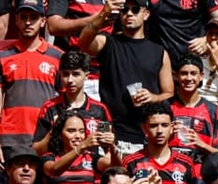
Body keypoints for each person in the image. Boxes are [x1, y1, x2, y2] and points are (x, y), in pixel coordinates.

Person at [80, 0, 174, 153]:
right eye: (124, 10)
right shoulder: (108, 42)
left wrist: (153, 97)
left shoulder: (159, 52)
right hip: (111, 132)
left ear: (146, 14)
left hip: (145, 136)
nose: (129, 13)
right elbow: (83, 43)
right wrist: (104, 14)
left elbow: (169, 92)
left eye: (135, 9)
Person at [0, 0, 63, 152]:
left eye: (33, 17)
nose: (28, 22)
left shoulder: (58, 56)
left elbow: (64, 100)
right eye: (23, 17)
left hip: (44, 138)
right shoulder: (2, 56)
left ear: (43, 22)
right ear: (16, 20)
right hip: (10, 139)